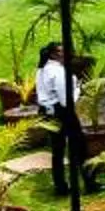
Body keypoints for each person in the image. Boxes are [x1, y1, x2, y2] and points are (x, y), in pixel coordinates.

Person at [35, 41, 85, 198]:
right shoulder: (58, 72)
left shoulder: (42, 69)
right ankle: (89, 181)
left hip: (48, 112)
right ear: (54, 55)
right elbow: (66, 101)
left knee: (57, 150)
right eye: (62, 52)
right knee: (80, 146)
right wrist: (78, 90)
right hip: (62, 112)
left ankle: (60, 186)